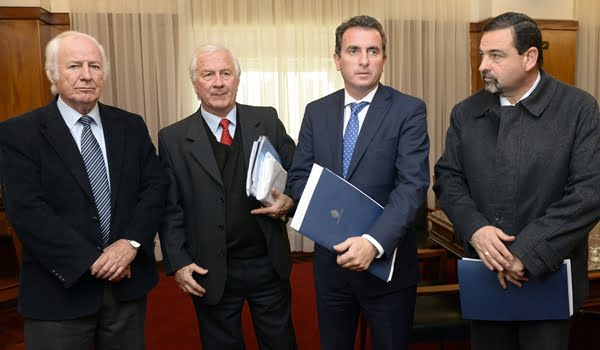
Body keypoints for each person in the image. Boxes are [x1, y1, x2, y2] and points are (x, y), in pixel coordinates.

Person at [434, 12, 600, 350]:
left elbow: (588, 193)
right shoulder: (466, 112)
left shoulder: (579, 108)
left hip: (548, 275)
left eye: (496, 55)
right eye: (482, 54)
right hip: (484, 270)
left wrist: (524, 253)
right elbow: (448, 179)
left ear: (530, 57)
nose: (483, 65)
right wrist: (476, 229)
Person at [0, 31, 168, 350]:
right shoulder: (18, 133)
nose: (87, 75)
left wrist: (130, 244)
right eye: (75, 66)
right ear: (52, 73)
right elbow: (27, 210)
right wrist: (96, 260)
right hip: (58, 293)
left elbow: (155, 187)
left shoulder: (130, 125)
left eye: (95, 65)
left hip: (127, 288)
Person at [287, 15, 430, 350]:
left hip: (386, 266)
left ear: (384, 58)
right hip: (331, 265)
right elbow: (299, 176)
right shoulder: (316, 111)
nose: (364, 60)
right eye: (353, 50)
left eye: (373, 51)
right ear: (337, 59)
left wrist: (373, 242)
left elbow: (412, 186)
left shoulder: (409, 110)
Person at [158, 44, 297, 350]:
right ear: (195, 83)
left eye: (226, 73)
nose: (218, 82)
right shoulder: (173, 138)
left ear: (237, 79)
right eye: (208, 74)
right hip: (211, 268)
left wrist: (290, 201)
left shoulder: (267, 120)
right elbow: (170, 208)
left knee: (280, 342)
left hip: (267, 261)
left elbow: (298, 172)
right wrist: (179, 262)